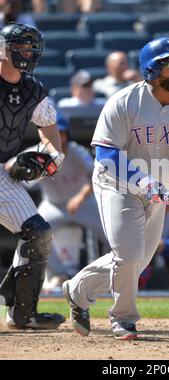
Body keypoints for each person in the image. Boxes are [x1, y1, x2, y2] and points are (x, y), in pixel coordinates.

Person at [62, 37, 169, 339]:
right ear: (150, 71)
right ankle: (124, 318)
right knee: (128, 256)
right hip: (117, 183)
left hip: (160, 188)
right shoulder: (124, 101)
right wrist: (146, 183)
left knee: (137, 261)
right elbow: (106, 155)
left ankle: (77, 291)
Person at [0, 23, 65, 329]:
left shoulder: (33, 89)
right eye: (20, 47)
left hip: (2, 174)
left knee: (39, 233)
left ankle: (22, 313)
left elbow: (50, 128)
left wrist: (52, 157)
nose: (26, 53)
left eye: (30, 48)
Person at [6, 115, 110, 289]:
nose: (57, 136)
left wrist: (80, 197)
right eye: (53, 132)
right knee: (35, 233)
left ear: (66, 134)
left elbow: (95, 176)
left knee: (111, 233)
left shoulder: (77, 151)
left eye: (60, 132)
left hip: (83, 204)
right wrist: (18, 167)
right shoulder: (39, 151)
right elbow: (10, 165)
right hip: (53, 205)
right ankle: (60, 274)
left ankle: (110, 275)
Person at [140, 205, 169, 289]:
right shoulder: (143, 213)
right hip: (142, 248)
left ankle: (167, 286)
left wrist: (164, 243)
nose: (167, 205)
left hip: (161, 252)